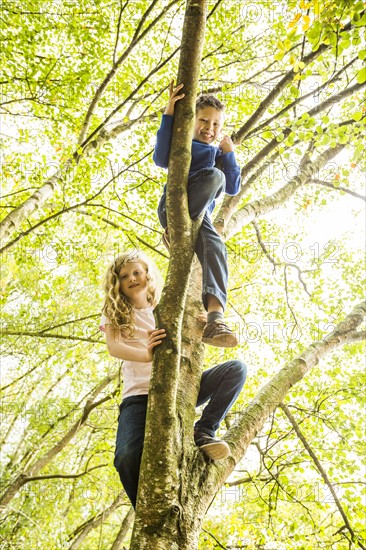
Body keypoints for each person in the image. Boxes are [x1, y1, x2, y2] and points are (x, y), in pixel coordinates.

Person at [100, 250, 247, 508]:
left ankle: (203, 431)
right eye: (124, 276)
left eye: (137, 272)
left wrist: (199, 321)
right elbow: (114, 347)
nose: (132, 278)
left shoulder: (167, 308)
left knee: (236, 370)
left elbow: (189, 338)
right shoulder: (117, 312)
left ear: (147, 274)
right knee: (126, 456)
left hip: (179, 389)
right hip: (139, 396)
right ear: (118, 284)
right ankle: (145, 511)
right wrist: (146, 355)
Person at [153, 81, 241, 349]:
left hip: (200, 219)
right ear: (191, 121)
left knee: (217, 248)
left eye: (216, 125)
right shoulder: (182, 141)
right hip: (173, 207)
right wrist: (171, 109)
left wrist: (230, 154)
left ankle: (215, 319)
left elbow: (233, 186)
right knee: (214, 177)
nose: (209, 128)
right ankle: (176, 230)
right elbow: (160, 156)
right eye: (204, 120)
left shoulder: (218, 155)